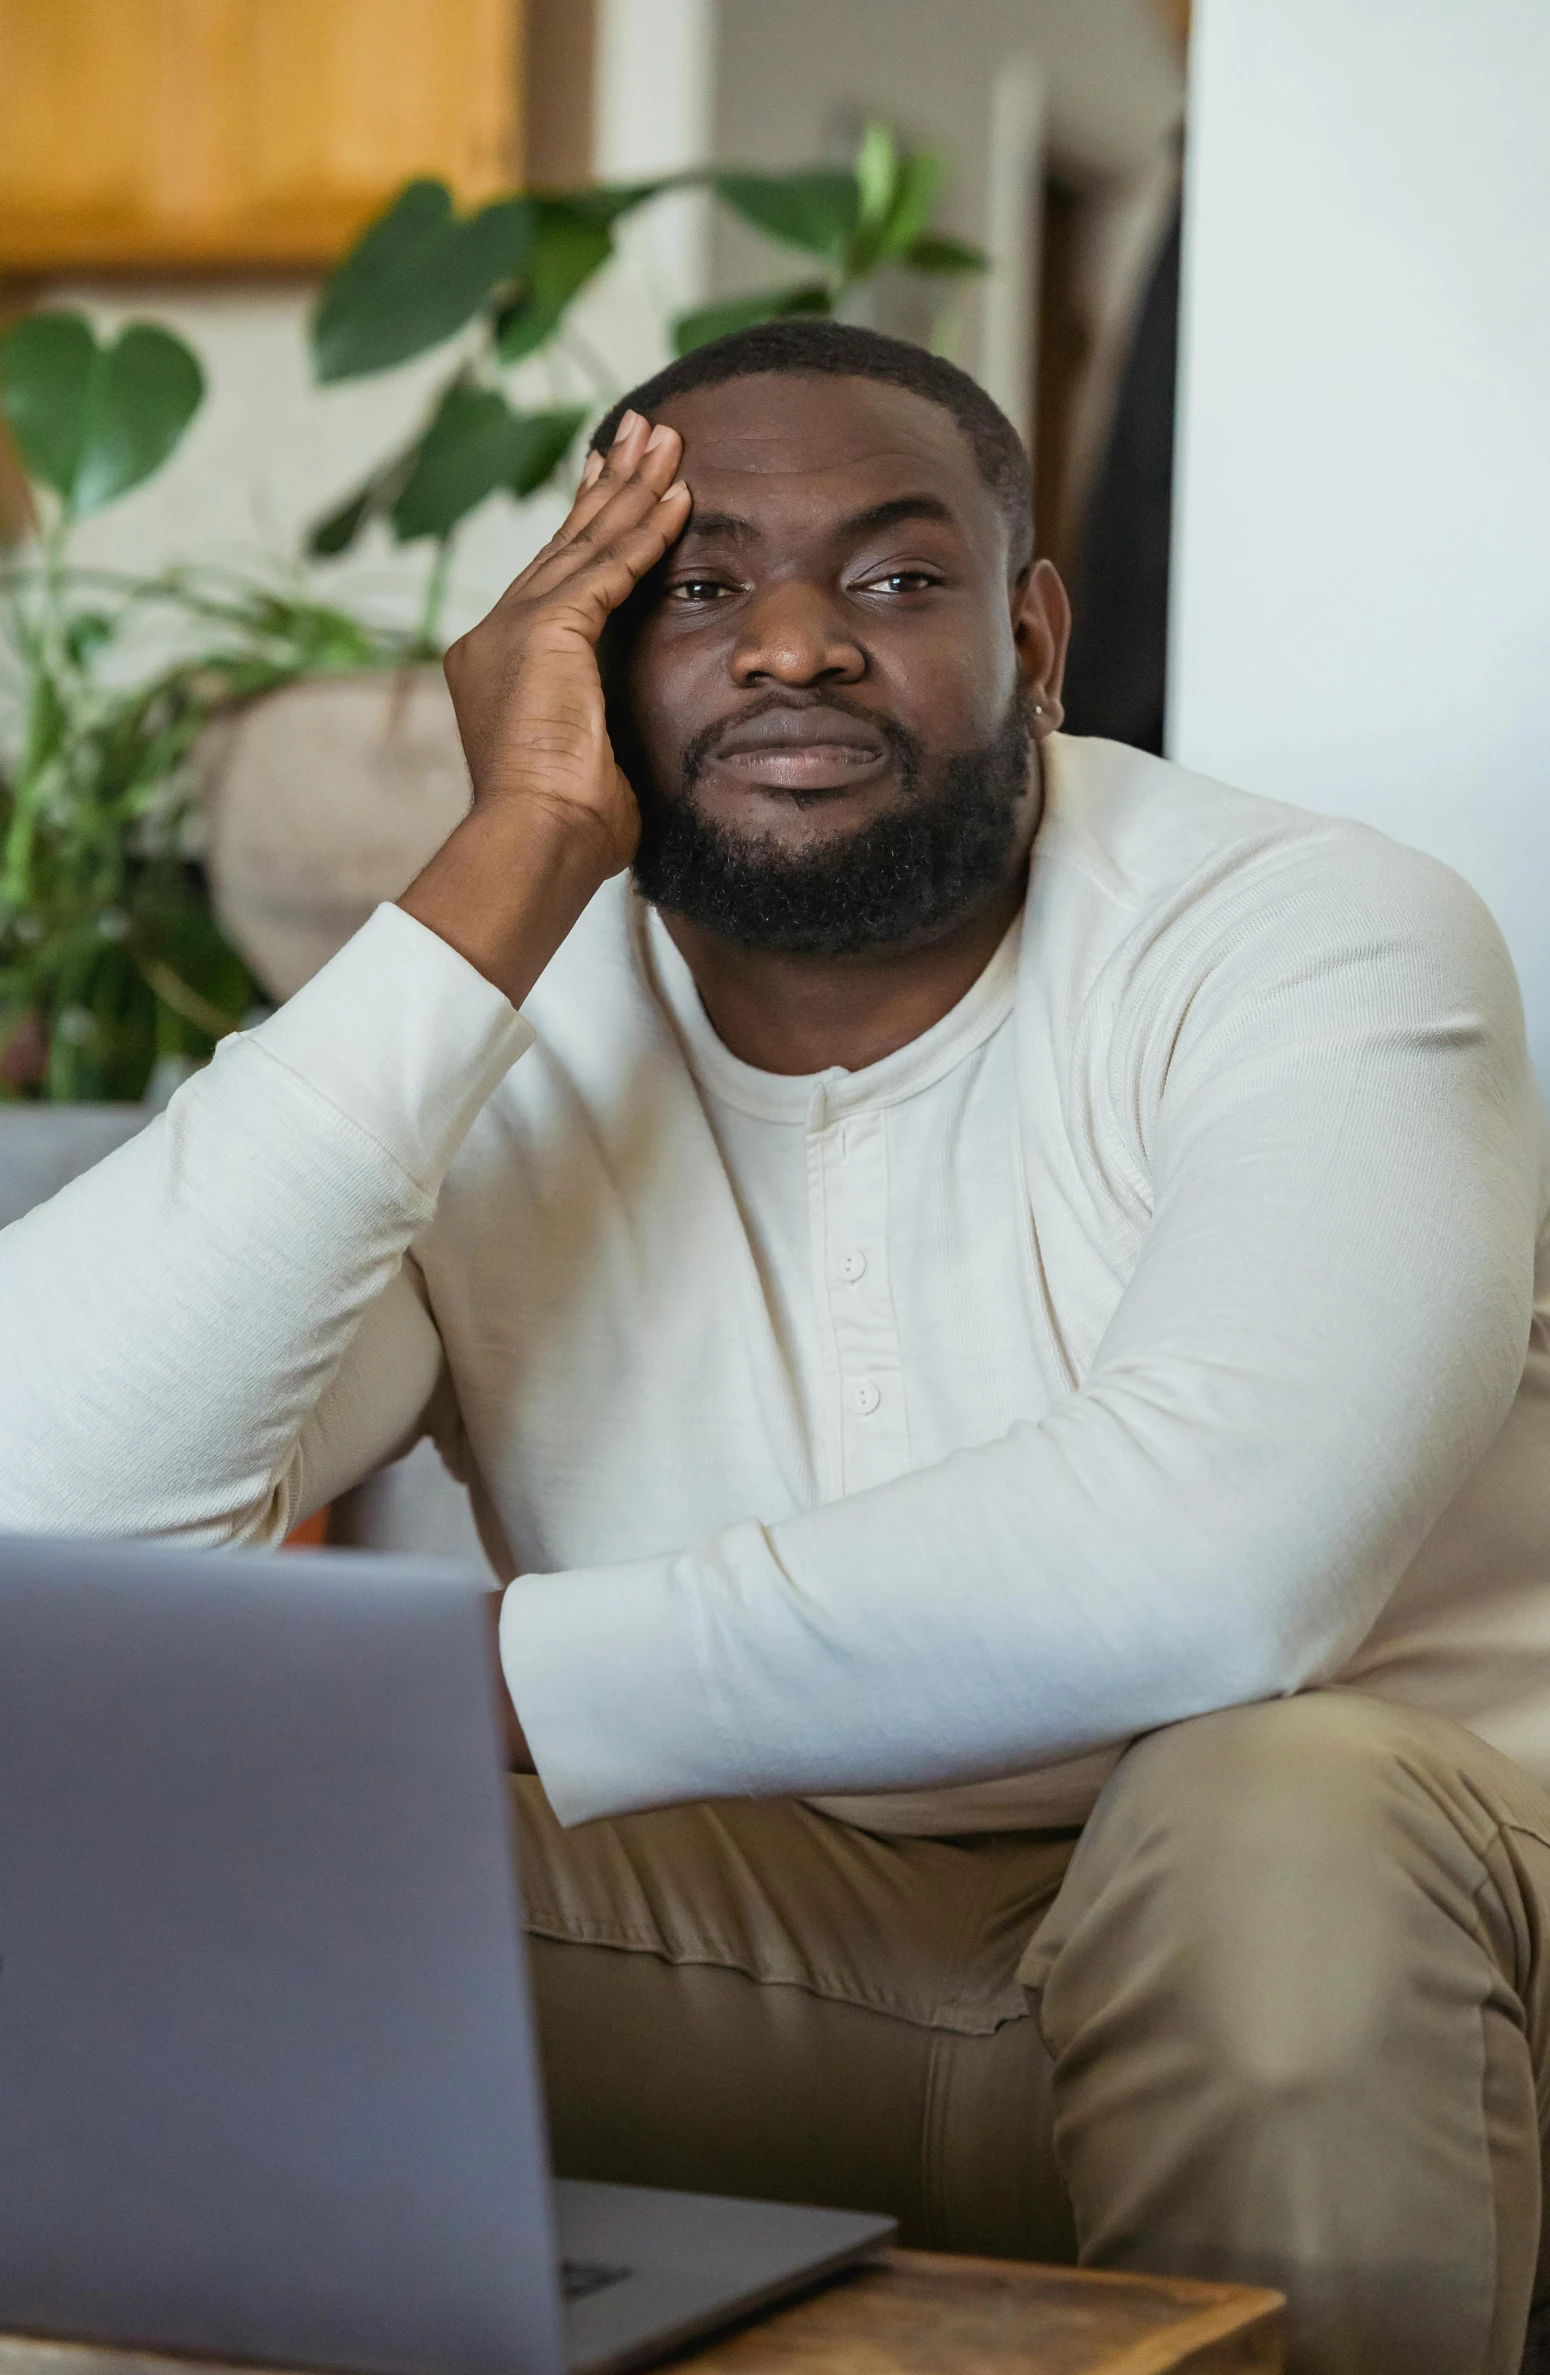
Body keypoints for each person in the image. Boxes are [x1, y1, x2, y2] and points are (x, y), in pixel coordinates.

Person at [3, 320, 1549, 2375]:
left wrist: (467, 1677)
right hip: (793, 1935)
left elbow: (1218, 1565)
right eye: (698, 587)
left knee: (1270, 1810)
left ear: (1034, 633)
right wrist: (504, 860)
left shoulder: (1314, 932)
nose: (795, 645)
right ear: (584, 655)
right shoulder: (504, 1023)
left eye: (894, 581)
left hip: (1377, 1925)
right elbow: (46, 1513)